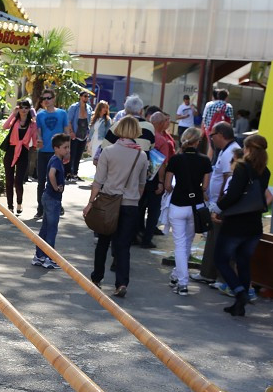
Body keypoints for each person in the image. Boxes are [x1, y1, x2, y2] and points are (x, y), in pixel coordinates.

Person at [85, 116, 148, 298]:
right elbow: (142, 184)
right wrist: (134, 197)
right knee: (123, 246)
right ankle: (121, 282)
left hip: (108, 203)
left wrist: (90, 203)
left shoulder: (108, 151)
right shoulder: (141, 155)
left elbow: (98, 181)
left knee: (103, 242)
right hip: (130, 205)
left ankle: (96, 278)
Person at [213, 134, 273, 316]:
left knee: (221, 260)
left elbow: (233, 195)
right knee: (244, 262)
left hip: (236, 223)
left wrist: (217, 207)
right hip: (254, 224)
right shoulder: (265, 171)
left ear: (247, 149)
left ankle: (240, 292)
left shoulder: (241, 167)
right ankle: (241, 302)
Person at [160, 128, 211, 295]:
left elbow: (168, 185)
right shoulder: (205, 160)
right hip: (195, 206)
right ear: (198, 142)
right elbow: (205, 187)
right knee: (187, 244)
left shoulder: (175, 159)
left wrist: (175, 188)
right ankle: (177, 275)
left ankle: (182, 282)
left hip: (178, 204)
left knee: (181, 245)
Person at [197, 122, 242, 288]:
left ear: (221, 135)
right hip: (217, 203)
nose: (211, 138)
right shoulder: (224, 150)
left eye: (212, 135)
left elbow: (227, 179)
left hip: (221, 204)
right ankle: (208, 273)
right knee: (213, 240)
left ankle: (220, 278)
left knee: (221, 242)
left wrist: (219, 203)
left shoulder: (231, 151)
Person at [137, 111, 175, 248]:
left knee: (139, 208)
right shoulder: (162, 141)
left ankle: (136, 234)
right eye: (165, 121)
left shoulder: (143, 135)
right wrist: (161, 182)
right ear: (159, 123)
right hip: (153, 180)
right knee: (153, 211)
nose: (167, 123)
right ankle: (147, 239)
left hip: (140, 177)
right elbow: (162, 164)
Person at [32, 135, 70, 269]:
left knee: (45, 228)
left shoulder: (55, 159)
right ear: (56, 148)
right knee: (52, 229)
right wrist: (55, 187)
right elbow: (52, 174)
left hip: (47, 197)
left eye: (68, 147)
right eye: (65, 147)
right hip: (53, 199)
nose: (67, 150)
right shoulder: (56, 161)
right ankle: (49, 257)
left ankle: (39, 255)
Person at [33, 89, 72, 218]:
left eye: (48, 98)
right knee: (41, 181)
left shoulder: (62, 113)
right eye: (44, 98)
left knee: (58, 180)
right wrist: (39, 139)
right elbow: (38, 131)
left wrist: (67, 151)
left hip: (57, 154)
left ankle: (57, 204)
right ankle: (40, 208)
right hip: (43, 152)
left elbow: (66, 133)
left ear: (54, 99)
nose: (46, 100)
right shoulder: (40, 115)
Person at [0, 99, 38, 214]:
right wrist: (13, 113)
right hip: (11, 151)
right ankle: (10, 206)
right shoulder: (15, 121)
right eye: (21, 107)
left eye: (26, 107)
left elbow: (35, 140)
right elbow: (5, 126)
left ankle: (19, 203)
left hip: (23, 152)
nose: (24, 110)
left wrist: (34, 114)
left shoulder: (32, 124)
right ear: (18, 108)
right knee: (9, 180)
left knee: (18, 181)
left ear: (29, 109)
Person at [65, 90, 92, 181]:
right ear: (80, 97)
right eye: (85, 96)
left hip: (83, 134)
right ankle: (68, 173)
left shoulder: (89, 108)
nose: (86, 98)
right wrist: (71, 132)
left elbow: (88, 121)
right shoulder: (74, 107)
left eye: (88, 97)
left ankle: (75, 173)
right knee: (72, 154)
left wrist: (88, 133)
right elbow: (68, 120)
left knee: (79, 155)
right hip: (74, 133)